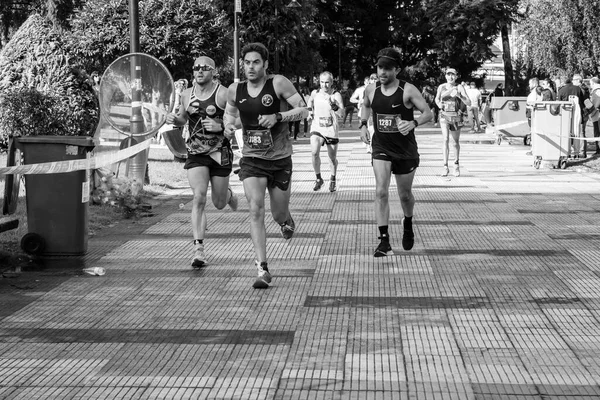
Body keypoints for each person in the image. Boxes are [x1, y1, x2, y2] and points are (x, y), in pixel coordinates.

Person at [223, 42, 308, 289]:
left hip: (280, 159)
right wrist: (229, 126)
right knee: (255, 208)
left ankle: (286, 220)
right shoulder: (234, 89)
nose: (250, 67)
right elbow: (230, 115)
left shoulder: (278, 83)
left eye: (256, 62)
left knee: (277, 213)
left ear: (265, 64)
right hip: (251, 159)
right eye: (247, 62)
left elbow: (303, 110)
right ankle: (262, 268)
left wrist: (277, 117)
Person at [165, 56, 238, 269]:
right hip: (196, 152)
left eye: (204, 68)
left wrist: (221, 126)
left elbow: (240, 119)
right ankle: (198, 249)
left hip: (219, 151)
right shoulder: (186, 94)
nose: (199, 71)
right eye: (196, 67)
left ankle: (228, 194)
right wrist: (174, 120)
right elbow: (182, 118)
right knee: (198, 197)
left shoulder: (223, 93)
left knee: (219, 202)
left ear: (213, 72)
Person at [359, 47, 432, 257]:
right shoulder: (371, 90)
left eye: (388, 69)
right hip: (381, 147)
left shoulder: (408, 90)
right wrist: (363, 124)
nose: (383, 72)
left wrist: (413, 123)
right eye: (380, 67)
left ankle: (407, 222)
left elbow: (428, 113)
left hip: (405, 150)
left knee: (404, 195)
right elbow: (365, 106)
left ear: (397, 70)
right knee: (381, 191)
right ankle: (384, 241)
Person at [308, 71, 344, 192]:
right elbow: (310, 101)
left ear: (332, 82)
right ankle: (318, 179)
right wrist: (309, 111)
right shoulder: (315, 93)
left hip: (331, 129)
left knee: (332, 158)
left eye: (327, 82)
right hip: (317, 128)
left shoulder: (336, 95)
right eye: (322, 82)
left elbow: (341, 114)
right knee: (314, 152)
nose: (324, 85)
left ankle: (333, 179)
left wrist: (333, 105)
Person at [435, 67, 471, 177]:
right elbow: (436, 99)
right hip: (444, 116)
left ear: (456, 76)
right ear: (445, 76)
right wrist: (439, 105)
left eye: (453, 75)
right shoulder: (441, 87)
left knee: (455, 142)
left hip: (456, 117)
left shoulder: (459, 87)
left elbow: (468, 102)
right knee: (445, 139)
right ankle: (445, 166)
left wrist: (460, 95)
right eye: (448, 74)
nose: (450, 77)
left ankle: (456, 164)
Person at [558, 75, 586, 158]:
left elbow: (559, 103)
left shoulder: (561, 90)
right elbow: (582, 100)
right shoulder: (577, 89)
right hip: (577, 112)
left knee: (566, 132)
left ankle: (567, 150)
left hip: (565, 113)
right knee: (577, 132)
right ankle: (577, 151)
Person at [589, 77, 600, 155]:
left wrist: (591, 111)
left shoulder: (596, 91)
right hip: (597, 114)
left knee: (597, 132)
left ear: (593, 83)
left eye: (590, 83)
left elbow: (596, 103)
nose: (590, 85)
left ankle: (598, 150)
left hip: (597, 114)